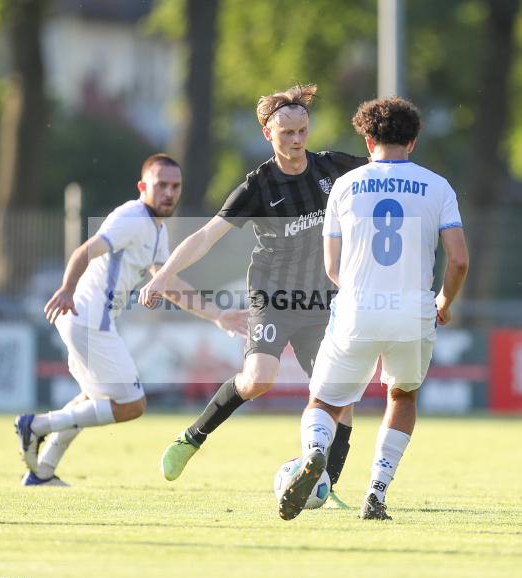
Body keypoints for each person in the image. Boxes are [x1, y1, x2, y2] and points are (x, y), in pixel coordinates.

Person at [139, 84, 368, 504]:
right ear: (268, 134)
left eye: (302, 130)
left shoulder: (333, 167)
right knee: (259, 380)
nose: (298, 140)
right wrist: (162, 276)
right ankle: (193, 437)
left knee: (338, 391)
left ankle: (325, 484)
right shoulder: (258, 186)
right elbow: (206, 236)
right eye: (287, 134)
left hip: (322, 300)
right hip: (273, 295)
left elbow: (382, 172)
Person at [277, 97, 469, 521]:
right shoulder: (438, 187)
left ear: (367, 139)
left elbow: (332, 267)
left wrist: (365, 293)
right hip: (414, 311)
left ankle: (313, 453)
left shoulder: (345, 186)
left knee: (323, 403)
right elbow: (458, 260)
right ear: (413, 142)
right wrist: (444, 302)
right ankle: (376, 493)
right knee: (402, 396)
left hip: (357, 309)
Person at [14, 154, 247, 486]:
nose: (169, 192)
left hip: (90, 322)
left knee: (90, 401)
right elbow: (85, 250)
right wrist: (66, 288)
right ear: (142, 187)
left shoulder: (156, 230)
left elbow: (171, 286)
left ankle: (43, 470)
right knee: (132, 406)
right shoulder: (132, 218)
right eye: (161, 185)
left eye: (175, 186)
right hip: (90, 320)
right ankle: (35, 426)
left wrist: (217, 315)